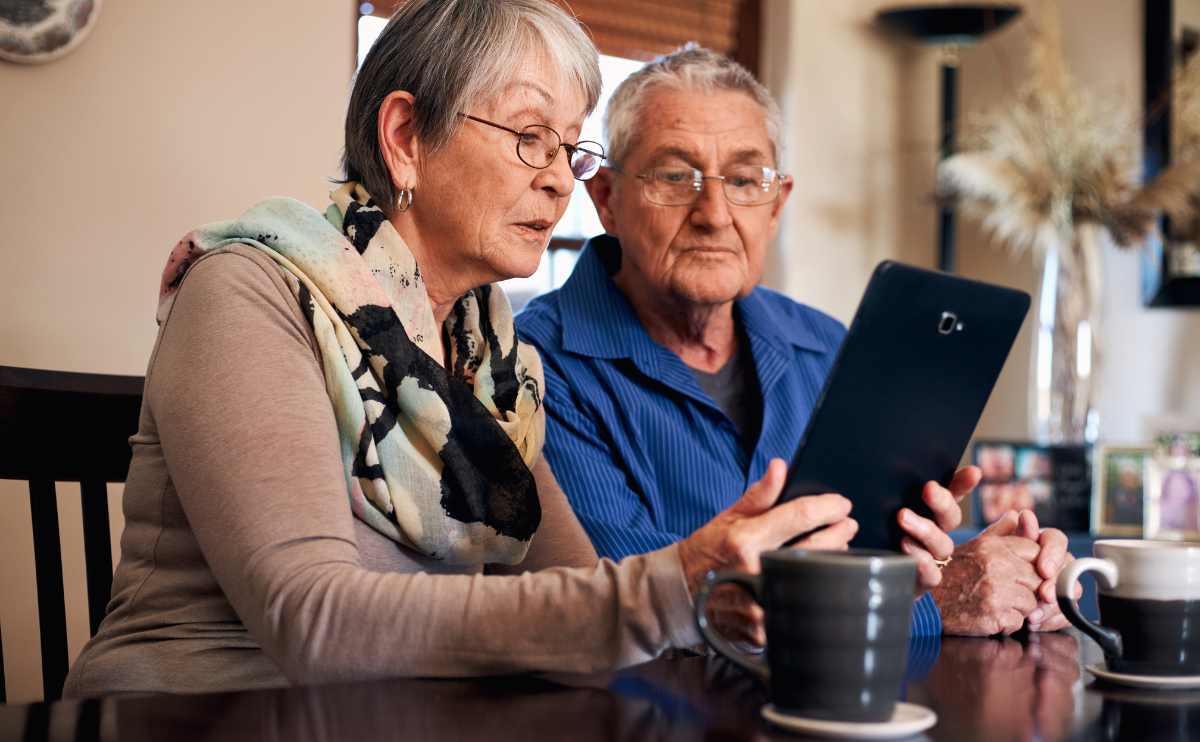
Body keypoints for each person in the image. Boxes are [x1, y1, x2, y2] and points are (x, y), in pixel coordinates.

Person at [62, 1, 867, 697]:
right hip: (199, 715)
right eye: (528, 136)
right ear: (407, 136)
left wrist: (722, 596)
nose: (557, 181)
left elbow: (582, 605)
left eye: (568, 147)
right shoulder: (249, 291)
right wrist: (668, 587)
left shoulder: (495, 361)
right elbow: (310, 620)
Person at [518, 46, 1075, 639]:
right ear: (606, 199)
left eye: (744, 179)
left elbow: (882, 549)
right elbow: (626, 602)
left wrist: (1000, 570)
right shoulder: (531, 364)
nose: (714, 213)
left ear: (777, 204)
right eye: (676, 176)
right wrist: (932, 601)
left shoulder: (826, 345)